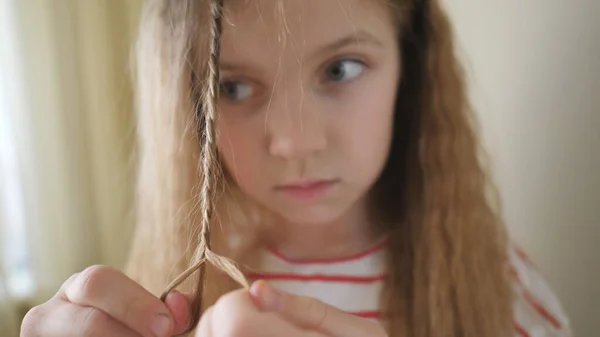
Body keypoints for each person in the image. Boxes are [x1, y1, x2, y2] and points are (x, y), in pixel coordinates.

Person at [20, 0, 573, 336]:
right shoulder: (170, 298)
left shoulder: (500, 292)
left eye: (341, 69)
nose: (293, 142)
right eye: (233, 87)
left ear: (413, 67)